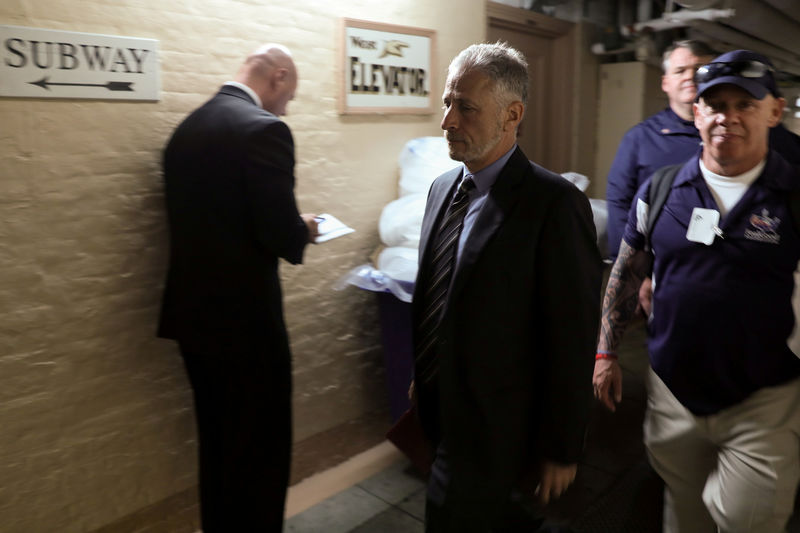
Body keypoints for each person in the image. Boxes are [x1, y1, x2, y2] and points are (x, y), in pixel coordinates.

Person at [593, 49, 800, 532]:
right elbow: (626, 271)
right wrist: (605, 352)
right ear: (698, 111)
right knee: (682, 512)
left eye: (744, 104)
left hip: (763, 399)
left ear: (774, 110)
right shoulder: (663, 189)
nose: (727, 117)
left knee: (749, 519)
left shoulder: (792, 196)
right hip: (673, 392)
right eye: (716, 104)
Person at [411, 42, 603, 532]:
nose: (448, 121)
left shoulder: (553, 205)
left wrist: (562, 447)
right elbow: (439, 294)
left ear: (511, 115)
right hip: (445, 413)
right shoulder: (440, 190)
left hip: (503, 430)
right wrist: (426, 374)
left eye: (466, 107)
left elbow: (572, 335)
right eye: (448, 103)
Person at [157, 44, 318, 532]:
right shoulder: (265, 130)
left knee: (218, 445)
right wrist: (304, 228)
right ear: (279, 76)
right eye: (289, 94)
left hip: (192, 320)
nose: (287, 106)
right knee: (262, 449)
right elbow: (278, 235)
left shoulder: (184, 132)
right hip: (246, 326)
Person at [605, 40, 800, 263]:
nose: (690, 77)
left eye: (697, 70)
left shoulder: (764, 133)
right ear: (665, 82)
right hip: (664, 264)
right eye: (680, 71)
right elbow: (620, 202)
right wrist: (633, 267)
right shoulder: (640, 138)